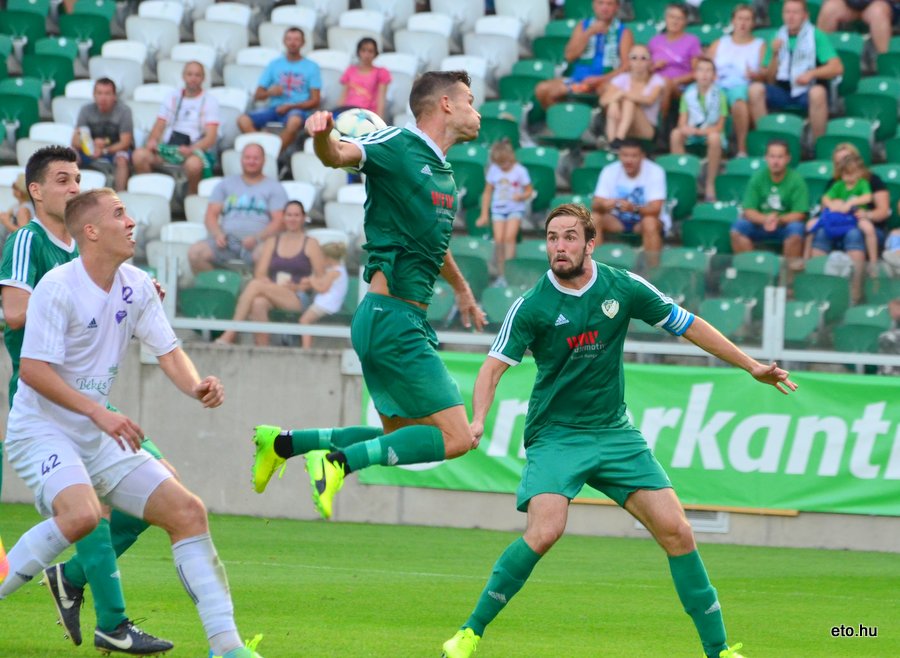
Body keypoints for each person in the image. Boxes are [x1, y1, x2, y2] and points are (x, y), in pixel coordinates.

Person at [439, 202, 797, 658]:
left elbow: (687, 324)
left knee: (678, 532)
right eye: (552, 238)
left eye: (569, 237)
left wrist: (751, 366)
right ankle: (469, 633)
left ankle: (720, 651)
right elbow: (491, 369)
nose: (559, 247)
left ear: (591, 243)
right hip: (557, 435)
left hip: (614, 433)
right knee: (546, 530)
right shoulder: (531, 306)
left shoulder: (621, 286)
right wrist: (478, 418)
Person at [0, 188, 263, 658]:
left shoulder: (137, 284)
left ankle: (228, 648)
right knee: (81, 516)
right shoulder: (57, 287)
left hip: (97, 433)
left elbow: (167, 350)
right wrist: (100, 412)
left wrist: (197, 385)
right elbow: (34, 372)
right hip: (41, 430)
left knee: (188, 512)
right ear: (92, 232)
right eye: (119, 214)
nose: (132, 221)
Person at [248, 70, 486, 521]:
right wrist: (321, 138)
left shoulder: (443, 172)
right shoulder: (397, 143)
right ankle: (338, 462)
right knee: (456, 438)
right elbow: (339, 154)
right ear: (447, 105)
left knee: (399, 435)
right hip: (393, 319)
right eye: (470, 100)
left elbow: (435, 244)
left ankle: (282, 443)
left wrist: (462, 289)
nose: (478, 112)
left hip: (391, 319)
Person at [0, 146, 174, 654]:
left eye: (77, 179)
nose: (74, 187)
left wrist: (130, 291)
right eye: (61, 180)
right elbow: (14, 313)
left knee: (160, 496)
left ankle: (71, 578)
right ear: (35, 192)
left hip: (90, 398)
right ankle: (114, 623)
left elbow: (104, 297)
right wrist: (86, 295)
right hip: (47, 400)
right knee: (90, 510)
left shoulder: (83, 250)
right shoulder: (28, 242)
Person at [214, 200, 324, 346]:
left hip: (297, 296)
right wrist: (269, 284)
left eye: (297, 215)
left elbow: (321, 278)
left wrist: (301, 285)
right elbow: (260, 272)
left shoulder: (311, 243)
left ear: (303, 218)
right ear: (283, 217)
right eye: (289, 215)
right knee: (258, 302)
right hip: (273, 291)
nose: (292, 219)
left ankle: (230, 334)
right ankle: (262, 347)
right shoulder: (273, 241)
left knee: (255, 285)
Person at [748, 0, 843, 140]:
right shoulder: (776, 37)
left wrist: (811, 74)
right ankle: (766, 141)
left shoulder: (815, 35)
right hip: (783, 90)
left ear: (805, 16)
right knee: (754, 89)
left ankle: (818, 143)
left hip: (807, 90)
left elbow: (837, 67)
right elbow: (769, 78)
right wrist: (774, 55)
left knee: (818, 93)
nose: (790, 17)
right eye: (787, 12)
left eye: (795, 12)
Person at [188, 143, 288, 274]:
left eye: (256, 158)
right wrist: (217, 234)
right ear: (241, 159)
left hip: (259, 242)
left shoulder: (275, 187)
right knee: (195, 253)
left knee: (266, 255)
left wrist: (258, 238)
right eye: (247, 157)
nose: (251, 161)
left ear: (264, 160)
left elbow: (279, 222)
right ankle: (218, 288)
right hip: (227, 242)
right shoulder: (225, 184)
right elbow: (211, 215)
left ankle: (254, 291)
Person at [132, 61, 220, 197]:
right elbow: (159, 124)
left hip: (193, 150)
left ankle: (191, 199)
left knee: (194, 165)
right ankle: (153, 194)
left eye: (197, 75)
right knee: (139, 156)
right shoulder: (172, 96)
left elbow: (211, 137)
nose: (193, 78)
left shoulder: (210, 101)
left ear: (203, 78)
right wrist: (152, 141)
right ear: (183, 76)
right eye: (189, 74)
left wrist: (192, 149)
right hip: (169, 148)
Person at [237, 27, 322, 155]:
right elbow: (258, 95)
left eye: (296, 39)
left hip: (297, 110)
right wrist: (270, 92)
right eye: (289, 39)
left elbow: (315, 101)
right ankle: (262, 150)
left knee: (294, 121)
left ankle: (271, 154)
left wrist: (290, 106)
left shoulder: (312, 67)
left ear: (303, 43)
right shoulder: (274, 64)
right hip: (274, 108)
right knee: (242, 120)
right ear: (284, 41)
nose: (292, 43)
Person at [535, 0, 634, 109]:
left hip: (605, 82)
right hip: (579, 81)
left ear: (616, 7)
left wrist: (601, 79)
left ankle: (600, 122)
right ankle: (564, 118)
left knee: (611, 92)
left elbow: (626, 67)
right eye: (600, 3)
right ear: (594, 5)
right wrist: (589, 33)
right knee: (542, 89)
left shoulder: (624, 32)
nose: (605, 8)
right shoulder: (582, 26)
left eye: (609, 4)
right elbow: (569, 56)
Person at [807, 152, 879, 302]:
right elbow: (825, 198)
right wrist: (833, 204)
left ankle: (873, 263)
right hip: (839, 218)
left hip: (855, 216)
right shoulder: (838, 185)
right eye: (845, 174)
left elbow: (868, 197)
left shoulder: (862, 184)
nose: (849, 178)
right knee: (812, 227)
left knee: (869, 229)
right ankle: (806, 262)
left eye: (852, 174)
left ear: (859, 172)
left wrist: (852, 203)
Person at [591, 138, 668, 267]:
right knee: (593, 218)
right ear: (619, 155)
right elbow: (595, 204)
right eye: (625, 155)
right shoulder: (609, 171)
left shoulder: (655, 171)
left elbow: (656, 209)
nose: (628, 160)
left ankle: (653, 272)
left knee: (649, 222)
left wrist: (634, 208)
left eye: (633, 156)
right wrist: (603, 205)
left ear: (642, 156)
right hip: (617, 219)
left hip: (641, 221)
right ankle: (596, 269)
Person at [707, 4, 766, 157]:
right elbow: (706, 65)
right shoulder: (719, 43)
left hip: (741, 85)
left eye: (747, 19)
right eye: (740, 19)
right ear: (733, 21)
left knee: (739, 101)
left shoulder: (759, 45)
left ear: (753, 23)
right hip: (717, 84)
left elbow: (764, 74)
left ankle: (741, 149)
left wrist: (755, 75)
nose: (743, 23)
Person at [670, 57, 729, 201]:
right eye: (701, 70)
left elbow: (720, 126)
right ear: (695, 74)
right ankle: (685, 181)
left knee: (714, 137)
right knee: (676, 134)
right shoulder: (687, 95)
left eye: (709, 70)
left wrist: (702, 131)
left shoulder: (720, 95)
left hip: (710, 133)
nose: (704, 74)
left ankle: (710, 184)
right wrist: (687, 129)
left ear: (714, 76)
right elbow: (682, 122)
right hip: (693, 133)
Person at [476, 139, 533, 286]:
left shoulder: (520, 171)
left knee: (509, 238)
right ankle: (502, 275)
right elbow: (487, 192)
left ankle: (510, 273)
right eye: (500, 164)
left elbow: (529, 190)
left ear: (511, 158)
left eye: (505, 163)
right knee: (499, 240)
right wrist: (483, 214)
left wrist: (521, 196)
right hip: (498, 210)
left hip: (515, 209)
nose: (503, 166)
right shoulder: (494, 170)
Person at [71, 78, 134, 192]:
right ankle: (71, 193)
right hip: (90, 149)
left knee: (122, 159)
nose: (103, 97)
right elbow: (75, 141)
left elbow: (125, 142)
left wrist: (104, 150)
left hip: (114, 150)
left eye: (107, 93)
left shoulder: (124, 111)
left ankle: (119, 197)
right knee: (69, 156)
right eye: (99, 93)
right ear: (94, 95)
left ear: (114, 96)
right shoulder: (86, 110)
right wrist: (90, 149)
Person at [600, 44, 666, 150]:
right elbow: (603, 101)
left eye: (643, 58)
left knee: (628, 101)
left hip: (646, 129)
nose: (638, 62)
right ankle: (612, 141)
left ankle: (618, 139)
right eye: (634, 58)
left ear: (650, 62)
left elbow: (649, 100)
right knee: (613, 104)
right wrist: (614, 103)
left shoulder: (656, 80)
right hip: (625, 125)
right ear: (629, 61)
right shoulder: (622, 78)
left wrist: (623, 94)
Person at [647, 3, 702, 120]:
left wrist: (674, 81)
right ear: (665, 19)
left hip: (680, 86)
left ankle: (662, 125)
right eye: (671, 17)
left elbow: (696, 72)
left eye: (679, 18)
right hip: (654, 82)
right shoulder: (654, 41)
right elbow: (645, 68)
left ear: (685, 21)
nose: (675, 21)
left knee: (665, 84)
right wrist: (654, 67)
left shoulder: (692, 41)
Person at [296, 241, 350, 349]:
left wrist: (311, 281)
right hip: (328, 304)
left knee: (304, 320)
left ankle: (306, 347)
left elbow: (322, 289)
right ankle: (308, 345)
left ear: (327, 258)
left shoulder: (333, 273)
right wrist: (310, 280)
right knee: (309, 322)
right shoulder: (338, 270)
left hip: (325, 305)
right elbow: (322, 282)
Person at [334, 37, 392, 119]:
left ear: (375, 54)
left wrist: (379, 122)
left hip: (367, 115)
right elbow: (343, 96)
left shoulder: (381, 72)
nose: (366, 55)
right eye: (363, 50)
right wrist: (337, 115)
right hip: (347, 113)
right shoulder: (350, 71)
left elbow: (381, 100)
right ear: (358, 52)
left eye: (370, 51)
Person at [817, 0, 900, 55]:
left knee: (877, 13)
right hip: (851, 3)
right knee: (830, 8)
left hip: (882, 3)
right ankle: (820, 58)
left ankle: (886, 61)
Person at [0, 173, 34, 248]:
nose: (12, 188)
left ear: (20, 192)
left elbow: (24, 233)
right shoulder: (17, 206)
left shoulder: (24, 209)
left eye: (14, 186)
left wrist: (7, 223)